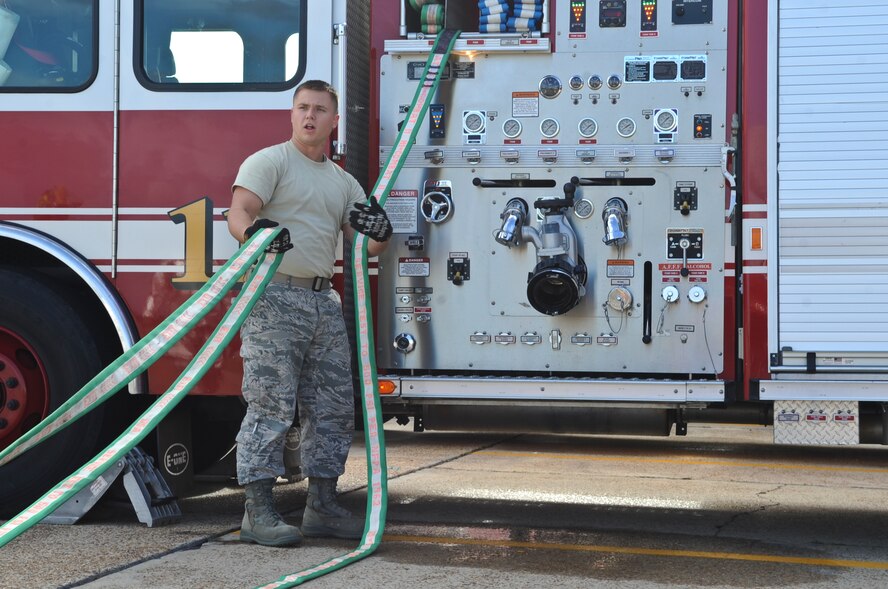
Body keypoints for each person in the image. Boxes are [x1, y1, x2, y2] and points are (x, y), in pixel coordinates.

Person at [227, 79, 392, 547]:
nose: (310, 116)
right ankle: (256, 513)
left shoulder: (341, 181)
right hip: (273, 297)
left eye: (320, 109)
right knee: (270, 405)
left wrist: (382, 230)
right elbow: (238, 210)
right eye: (303, 108)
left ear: (333, 121)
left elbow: (369, 242)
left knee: (333, 409)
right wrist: (255, 232)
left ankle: (321, 507)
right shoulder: (271, 161)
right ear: (292, 114)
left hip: (323, 302)